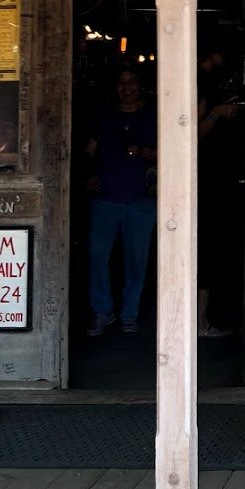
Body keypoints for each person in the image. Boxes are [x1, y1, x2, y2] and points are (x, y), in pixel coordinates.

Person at [85, 66, 157, 335]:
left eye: (132, 82)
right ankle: (102, 311)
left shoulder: (154, 115)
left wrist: (142, 151)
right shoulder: (104, 116)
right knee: (97, 257)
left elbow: (173, 151)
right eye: (121, 82)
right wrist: (87, 176)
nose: (127, 88)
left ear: (141, 85)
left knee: (136, 261)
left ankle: (130, 313)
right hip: (104, 199)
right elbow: (88, 151)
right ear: (114, 87)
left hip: (141, 200)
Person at [196, 44, 243, 337]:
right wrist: (217, 112)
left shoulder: (213, 79)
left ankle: (204, 320)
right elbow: (190, 132)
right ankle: (200, 323)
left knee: (214, 250)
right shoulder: (199, 82)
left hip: (221, 177)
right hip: (205, 178)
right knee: (207, 251)